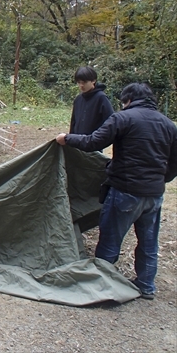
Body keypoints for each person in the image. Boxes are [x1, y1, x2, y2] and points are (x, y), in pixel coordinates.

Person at [56, 83, 177, 300]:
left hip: (125, 190)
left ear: (127, 100)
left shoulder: (123, 119)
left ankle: (102, 284)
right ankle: (146, 285)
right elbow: (174, 163)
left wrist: (67, 139)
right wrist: (159, 180)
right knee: (149, 241)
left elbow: (93, 141)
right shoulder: (168, 125)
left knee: (111, 239)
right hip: (154, 194)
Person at [69, 66, 114, 135]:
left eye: (84, 82)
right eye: (79, 82)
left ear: (93, 81)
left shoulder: (101, 98)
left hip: (94, 142)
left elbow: (111, 121)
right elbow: (73, 123)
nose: (81, 85)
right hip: (77, 141)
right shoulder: (78, 99)